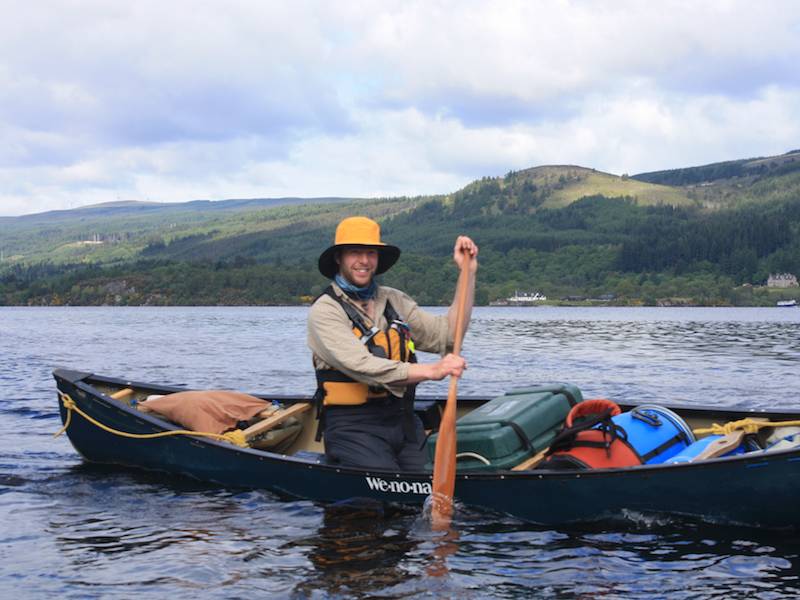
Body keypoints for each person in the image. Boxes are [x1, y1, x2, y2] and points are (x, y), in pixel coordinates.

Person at [307, 216, 478, 471]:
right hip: (353, 427)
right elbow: (363, 366)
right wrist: (432, 371)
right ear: (339, 258)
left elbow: (448, 336)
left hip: (403, 421)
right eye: (355, 252)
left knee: (425, 486)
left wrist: (467, 274)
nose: (364, 261)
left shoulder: (393, 300)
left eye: (371, 253)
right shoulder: (325, 311)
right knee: (387, 494)